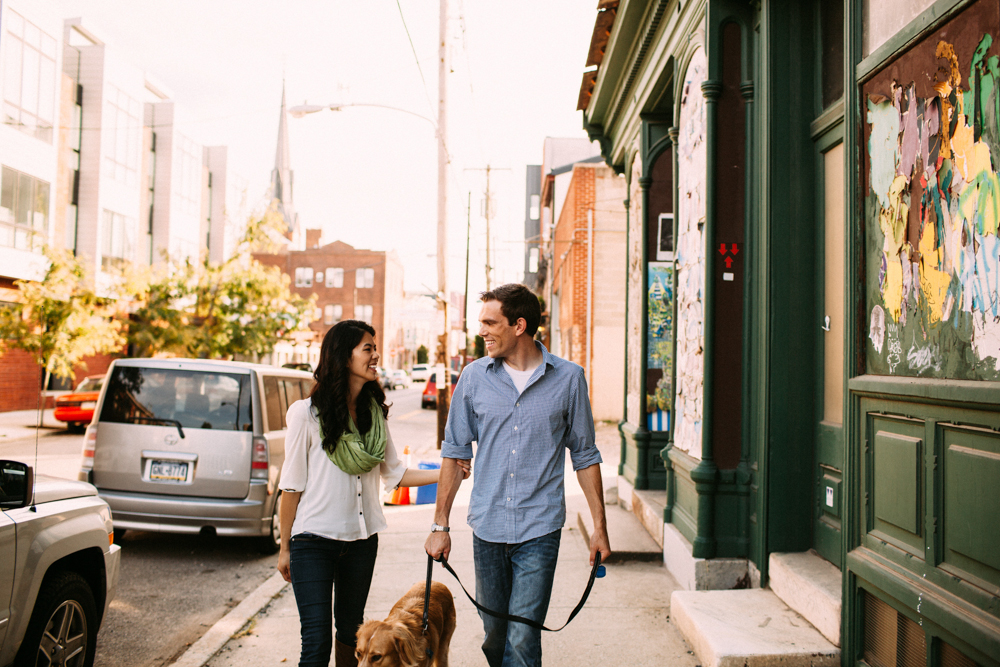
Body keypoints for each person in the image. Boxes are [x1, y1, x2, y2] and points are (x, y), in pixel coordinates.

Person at [425, 283, 611, 667]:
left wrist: (599, 526)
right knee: (495, 636)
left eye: (490, 322)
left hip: (539, 527)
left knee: (523, 638)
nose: (482, 331)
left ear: (519, 325)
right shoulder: (474, 378)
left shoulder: (569, 379)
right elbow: (454, 451)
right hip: (487, 526)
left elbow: (585, 455)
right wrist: (439, 525)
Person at [277, 320, 444, 667]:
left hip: (361, 541)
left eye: (374, 347)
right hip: (312, 542)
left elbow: (395, 474)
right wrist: (284, 547)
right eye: (367, 348)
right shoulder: (306, 414)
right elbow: (291, 487)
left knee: (353, 636)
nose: (375, 355)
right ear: (343, 355)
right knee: (317, 640)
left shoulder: (374, 416)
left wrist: (448, 472)